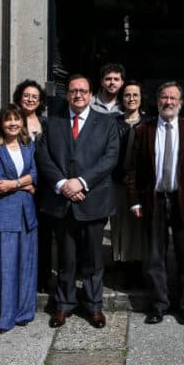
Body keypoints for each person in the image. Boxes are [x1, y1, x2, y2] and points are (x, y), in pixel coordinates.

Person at [36, 75, 120, 329]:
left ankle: (94, 306)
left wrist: (81, 182)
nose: (78, 95)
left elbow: (110, 157)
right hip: (62, 203)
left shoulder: (106, 123)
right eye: (73, 91)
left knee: (93, 259)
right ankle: (64, 305)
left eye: (83, 91)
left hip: (93, 200)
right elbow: (43, 156)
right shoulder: (53, 123)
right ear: (67, 94)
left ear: (91, 94)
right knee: (66, 258)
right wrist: (63, 185)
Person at [127, 81, 184, 325]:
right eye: (164, 97)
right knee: (155, 256)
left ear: (181, 104)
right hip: (154, 200)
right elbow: (133, 170)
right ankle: (158, 305)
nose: (168, 102)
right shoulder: (144, 130)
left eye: (173, 98)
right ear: (157, 101)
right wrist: (135, 201)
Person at [0, 104, 39, 332]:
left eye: (17, 119)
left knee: (27, 266)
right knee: (4, 269)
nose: (13, 123)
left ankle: (24, 313)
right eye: (8, 120)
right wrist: (25, 185)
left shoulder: (28, 145)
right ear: (1, 123)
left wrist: (15, 183)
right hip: (4, 214)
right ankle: (4, 318)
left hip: (27, 214)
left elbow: (35, 173)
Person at [12, 79, 52, 291]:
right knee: (20, 233)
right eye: (26, 95)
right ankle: (21, 276)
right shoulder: (11, 121)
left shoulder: (47, 123)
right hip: (19, 186)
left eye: (34, 96)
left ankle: (42, 277)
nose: (30, 99)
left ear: (40, 101)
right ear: (19, 97)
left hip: (44, 187)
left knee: (43, 233)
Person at [111, 80, 149, 287]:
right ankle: (123, 265)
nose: (131, 99)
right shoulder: (113, 123)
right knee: (122, 226)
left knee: (139, 227)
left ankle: (138, 267)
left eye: (135, 95)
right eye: (127, 95)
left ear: (141, 98)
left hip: (142, 185)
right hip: (117, 183)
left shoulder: (149, 122)